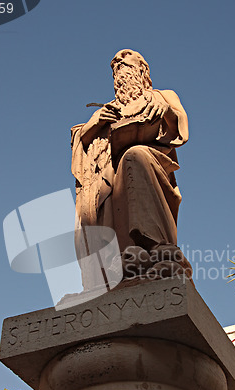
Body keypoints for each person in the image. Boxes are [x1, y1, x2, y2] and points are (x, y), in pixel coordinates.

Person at [71, 49, 191, 285]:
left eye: (126, 66)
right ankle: (119, 263)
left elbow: (182, 126)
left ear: (142, 71)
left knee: (134, 157)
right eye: (117, 70)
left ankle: (155, 247)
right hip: (111, 174)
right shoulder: (108, 109)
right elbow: (81, 141)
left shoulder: (162, 95)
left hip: (150, 160)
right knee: (108, 191)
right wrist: (97, 122)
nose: (121, 72)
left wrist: (166, 112)